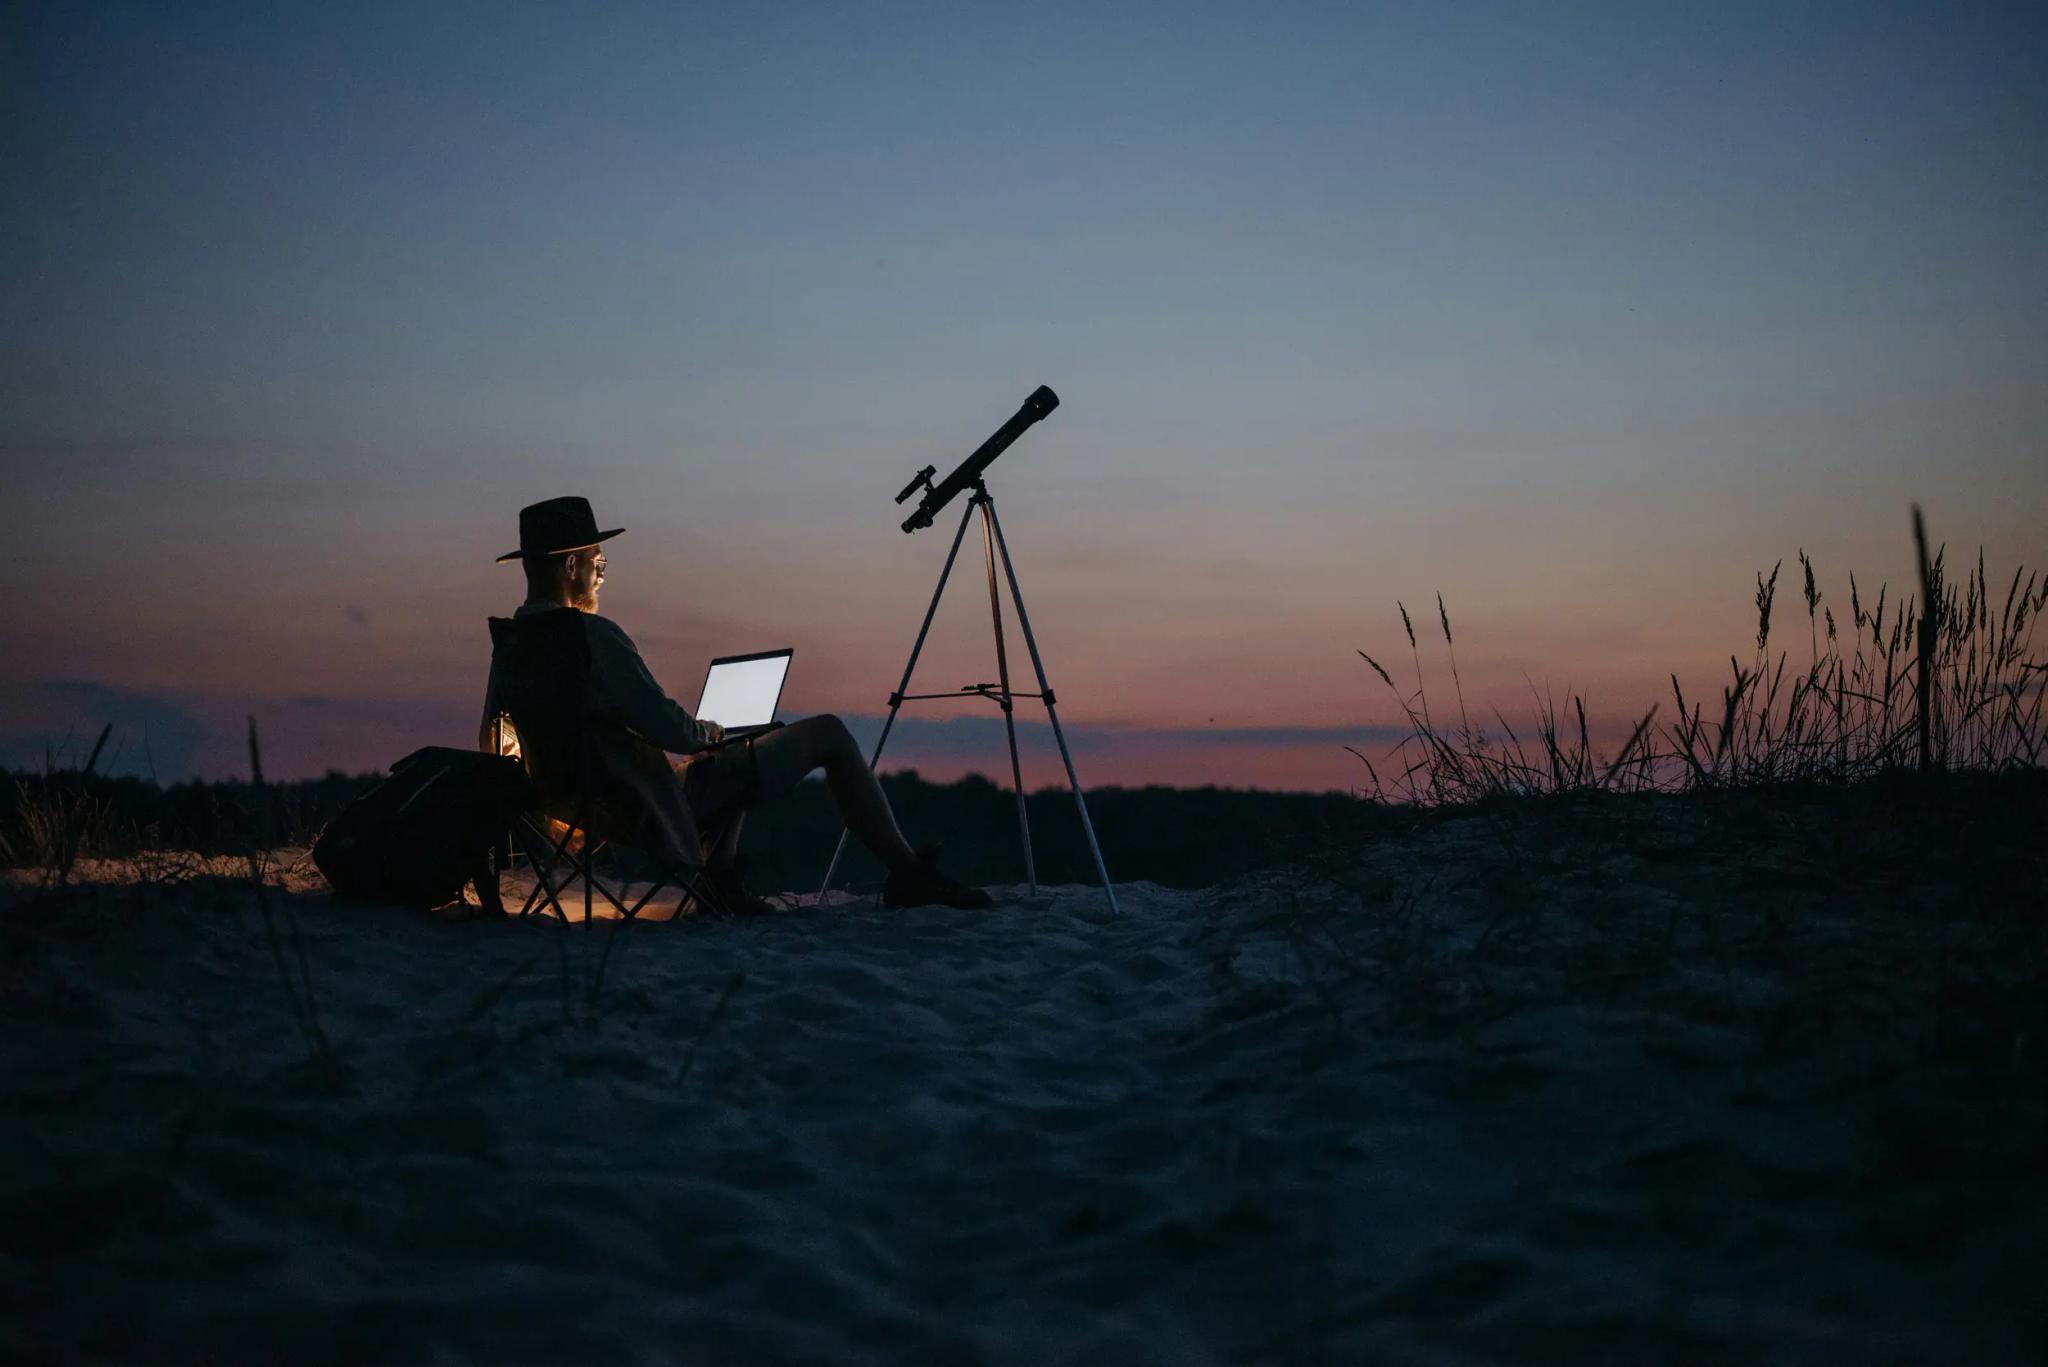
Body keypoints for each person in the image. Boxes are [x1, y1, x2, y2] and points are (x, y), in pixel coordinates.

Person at [480, 496, 990, 913]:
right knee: (827, 733)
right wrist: (711, 733)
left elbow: (493, 742)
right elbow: (670, 728)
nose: (601, 577)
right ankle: (906, 873)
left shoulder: (512, 647)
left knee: (729, 756)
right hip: (640, 805)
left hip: (576, 807)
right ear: (571, 564)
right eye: (597, 564)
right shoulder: (590, 637)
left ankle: (721, 882)